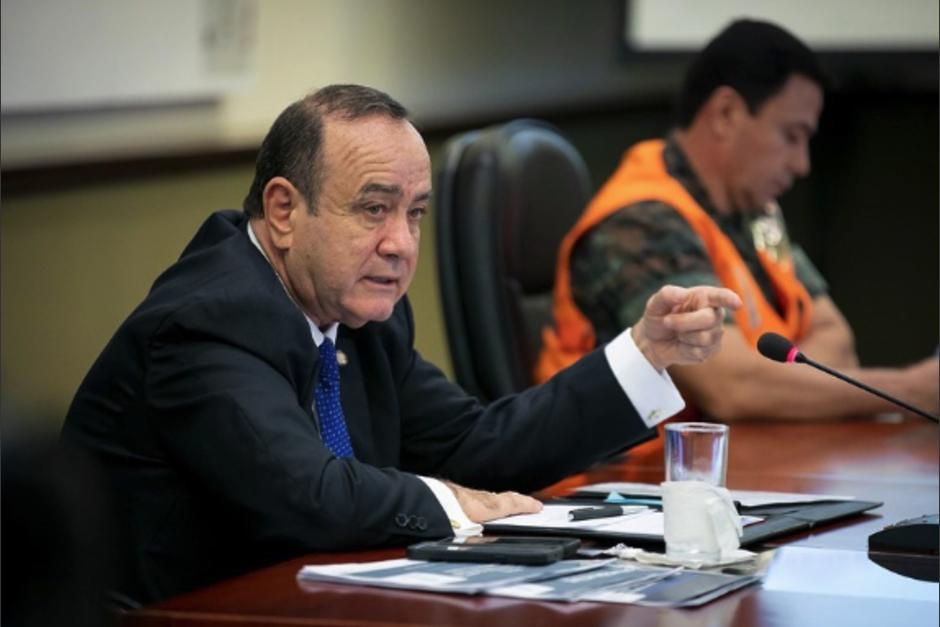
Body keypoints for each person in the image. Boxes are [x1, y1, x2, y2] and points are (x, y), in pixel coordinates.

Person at [61, 84, 739, 604]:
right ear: (283, 210)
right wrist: (459, 504)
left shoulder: (362, 314)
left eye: (414, 213)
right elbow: (309, 494)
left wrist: (644, 352)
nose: (401, 245)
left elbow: (479, 445)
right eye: (373, 209)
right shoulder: (209, 320)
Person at [536, 19, 938, 422]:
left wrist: (771, 385)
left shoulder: (755, 214)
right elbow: (732, 390)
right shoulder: (641, 220)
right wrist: (912, 389)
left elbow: (838, 340)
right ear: (726, 113)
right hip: (626, 478)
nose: (802, 165)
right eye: (791, 135)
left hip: (737, 465)